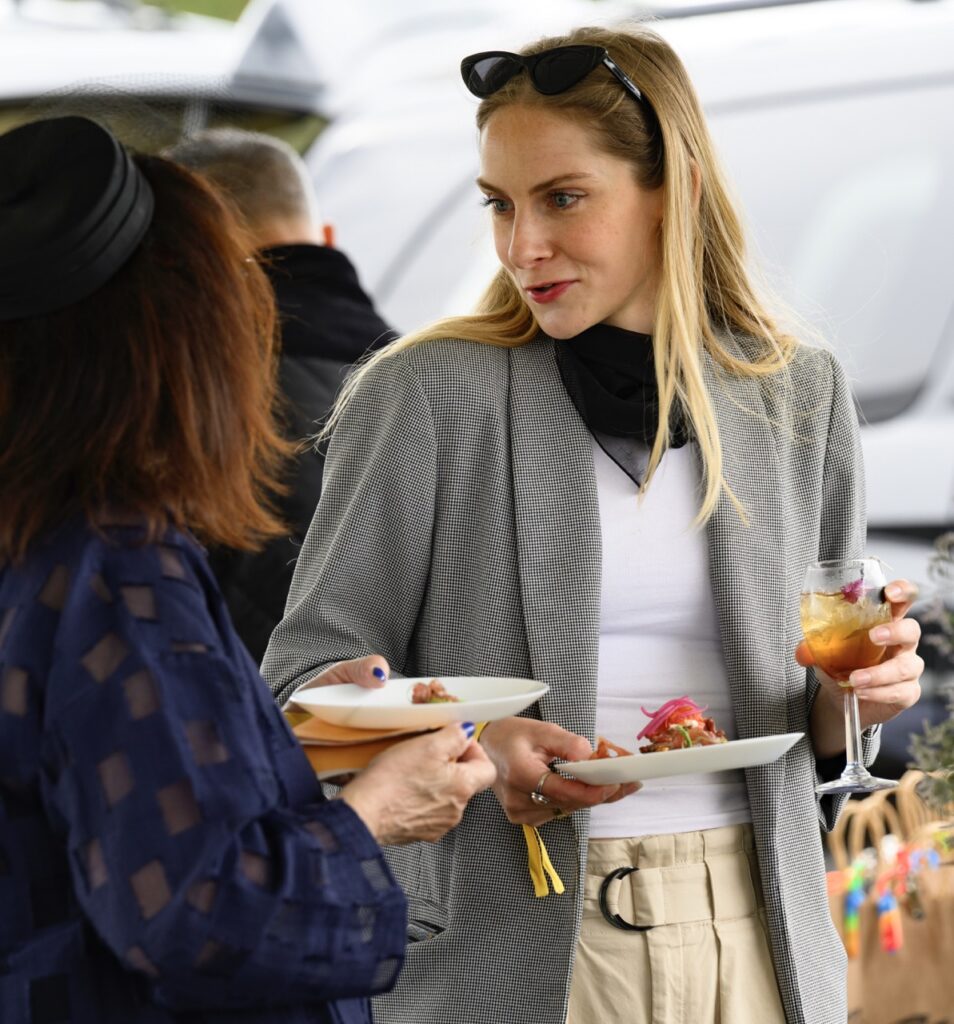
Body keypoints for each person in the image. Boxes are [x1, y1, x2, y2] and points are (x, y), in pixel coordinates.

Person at [260, 25, 925, 1024]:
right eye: (501, 204)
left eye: (562, 197)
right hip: (519, 950)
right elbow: (304, 690)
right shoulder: (428, 395)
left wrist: (860, 697)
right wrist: (480, 741)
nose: (524, 243)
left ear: (674, 192)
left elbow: (815, 714)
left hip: (764, 939)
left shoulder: (797, 392)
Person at [0, 115, 495, 1024]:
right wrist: (376, 814)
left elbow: (95, 792)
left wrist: (280, 743)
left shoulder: (43, 540)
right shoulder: (116, 567)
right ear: (180, 341)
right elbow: (205, 915)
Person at [164, 128, 397, 663]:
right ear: (328, 237)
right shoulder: (435, 377)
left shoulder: (181, 399)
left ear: (192, 252)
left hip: (254, 724)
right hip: (430, 716)